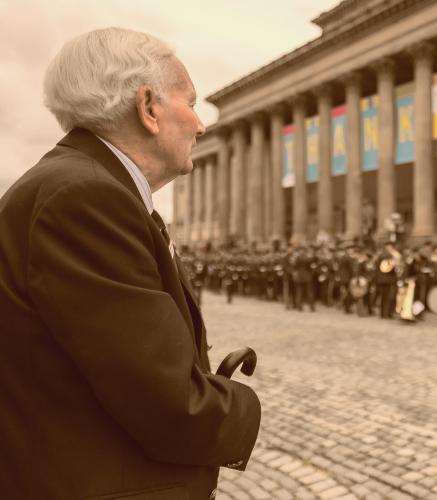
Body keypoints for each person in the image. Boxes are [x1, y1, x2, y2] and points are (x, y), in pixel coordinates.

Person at [0, 28, 261, 499]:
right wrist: (242, 407)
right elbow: (164, 399)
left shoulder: (78, 184)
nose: (201, 126)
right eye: (191, 103)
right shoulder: (87, 196)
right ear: (148, 108)